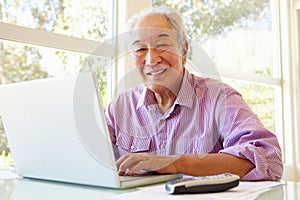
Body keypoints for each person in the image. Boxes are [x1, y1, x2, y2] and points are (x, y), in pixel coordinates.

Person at [104, 6, 283, 181]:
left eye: (162, 45)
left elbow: (268, 158)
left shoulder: (219, 98)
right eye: (140, 49)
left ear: (183, 50)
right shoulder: (119, 108)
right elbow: (91, 165)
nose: (151, 59)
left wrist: (176, 164)